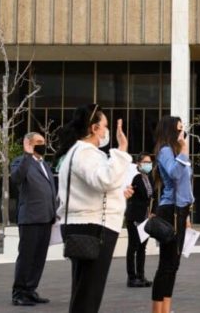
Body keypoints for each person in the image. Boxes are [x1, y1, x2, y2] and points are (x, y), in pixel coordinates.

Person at [54, 104, 131, 313]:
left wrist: (118, 193)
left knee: (83, 290)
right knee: (89, 293)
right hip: (93, 227)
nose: (107, 131)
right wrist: (121, 150)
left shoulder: (77, 152)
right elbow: (105, 180)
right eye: (105, 126)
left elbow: (96, 186)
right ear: (94, 128)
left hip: (84, 225)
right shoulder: (85, 152)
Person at [151, 116, 194, 313]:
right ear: (170, 131)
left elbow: (185, 185)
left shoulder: (175, 151)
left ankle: (166, 308)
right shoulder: (166, 151)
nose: (182, 133)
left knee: (173, 264)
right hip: (170, 210)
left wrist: (187, 215)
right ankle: (158, 309)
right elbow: (175, 174)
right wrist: (184, 151)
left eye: (182, 129)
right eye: (178, 129)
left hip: (180, 210)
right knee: (167, 264)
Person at [10, 132, 57, 306]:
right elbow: (16, 177)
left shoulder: (44, 163)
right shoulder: (21, 161)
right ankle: (19, 293)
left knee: (39, 258)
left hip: (46, 218)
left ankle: (30, 290)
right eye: (38, 142)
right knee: (27, 257)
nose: (42, 145)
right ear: (28, 143)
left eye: (43, 142)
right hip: (30, 218)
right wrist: (27, 155)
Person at [124, 153, 156, 288]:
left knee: (142, 247)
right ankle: (131, 277)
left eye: (150, 162)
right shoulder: (135, 178)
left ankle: (141, 276)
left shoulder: (149, 178)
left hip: (145, 218)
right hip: (134, 217)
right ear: (138, 163)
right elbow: (137, 196)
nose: (148, 164)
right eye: (145, 162)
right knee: (133, 246)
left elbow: (152, 196)